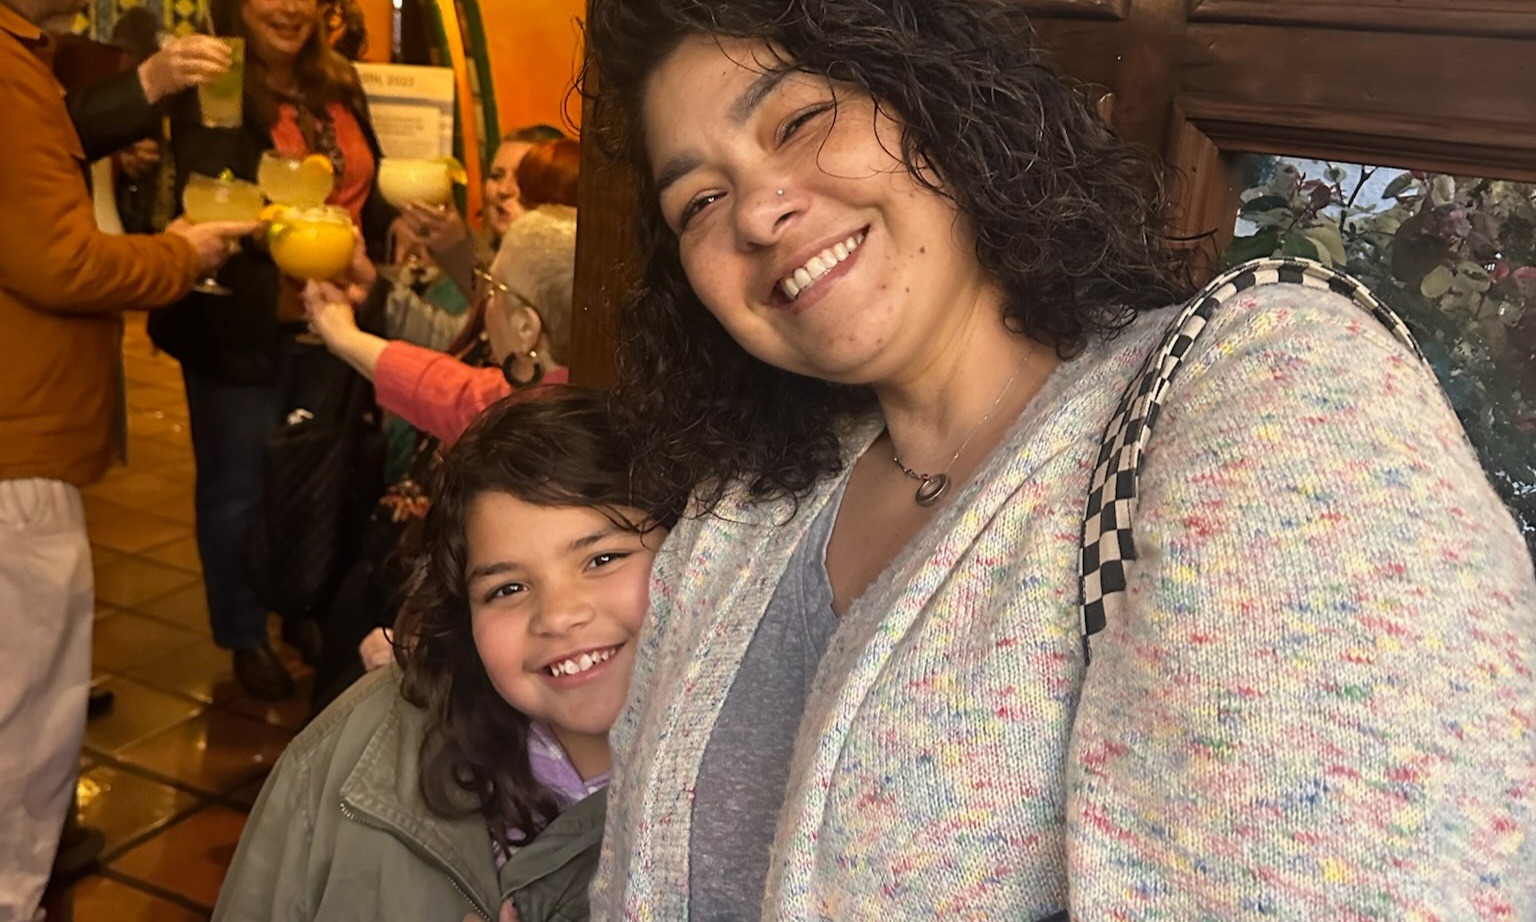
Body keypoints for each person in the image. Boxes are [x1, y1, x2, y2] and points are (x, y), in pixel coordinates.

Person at [581, 0, 1536, 918]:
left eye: (798, 122)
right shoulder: (737, 519)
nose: (756, 213)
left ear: (937, 99)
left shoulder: (1271, 399)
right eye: (700, 200)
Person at [213, 388, 674, 922]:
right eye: (507, 588)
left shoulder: (747, 797)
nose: (557, 615)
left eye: (603, 559)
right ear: (463, 615)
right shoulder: (360, 742)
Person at [0, 0, 254, 915]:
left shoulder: (30, 56)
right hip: (17, 444)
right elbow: (61, 262)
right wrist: (176, 254)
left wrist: (140, 88)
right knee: (24, 718)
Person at [148, 0, 395, 700]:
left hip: (333, 318)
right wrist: (289, 253)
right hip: (244, 321)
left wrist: (388, 244)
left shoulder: (338, 79)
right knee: (237, 487)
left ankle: (301, 605)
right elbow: (211, 193)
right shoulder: (216, 79)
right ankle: (243, 630)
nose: (289, 6)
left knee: (316, 476)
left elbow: (369, 184)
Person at [308, 203, 579, 445]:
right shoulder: (570, 389)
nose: (485, 299)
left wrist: (342, 335)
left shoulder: (533, 426)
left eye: (494, 288)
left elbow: (459, 401)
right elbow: (455, 391)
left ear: (525, 327)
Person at [400, 126, 569, 303]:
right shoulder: (474, 254)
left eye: (521, 178)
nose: (503, 190)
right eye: (496, 176)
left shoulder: (560, 277)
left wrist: (456, 251)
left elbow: (508, 309)